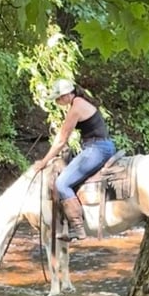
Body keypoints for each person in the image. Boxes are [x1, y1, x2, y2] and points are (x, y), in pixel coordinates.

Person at [33, 78, 116, 240]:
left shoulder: (76, 108)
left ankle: (77, 228)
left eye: (57, 99)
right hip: (104, 146)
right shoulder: (81, 102)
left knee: (62, 183)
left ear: (65, 96)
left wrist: (44, 162)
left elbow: (61, 140)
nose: (57, 102)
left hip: (96, 149)